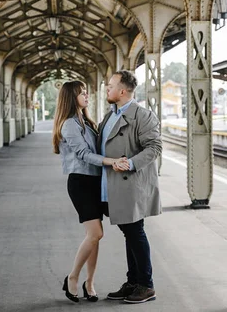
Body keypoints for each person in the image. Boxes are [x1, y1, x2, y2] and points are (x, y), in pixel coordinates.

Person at [52, 81, 128, 303]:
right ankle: (73, 278)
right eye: (81, 93)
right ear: (70, 97)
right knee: (96, 234)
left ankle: (90, 283)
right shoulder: (69, 125)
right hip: (81, 183)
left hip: (95, 181)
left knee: (94, 237)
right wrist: (111, 161)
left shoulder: (85, 121)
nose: (86, 95)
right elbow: (84, 155)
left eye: (87, 91)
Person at [98, 70, 162, 304]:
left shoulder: (143, 116)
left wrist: (130, 164)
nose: (107, 88)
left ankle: (146, 285)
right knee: (130, 233)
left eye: (110, 85)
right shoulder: (110, 115)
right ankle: (134, 281)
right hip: (112, 184)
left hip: (130, 184)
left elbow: (154, 147)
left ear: (122, 91)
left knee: (135, 232)